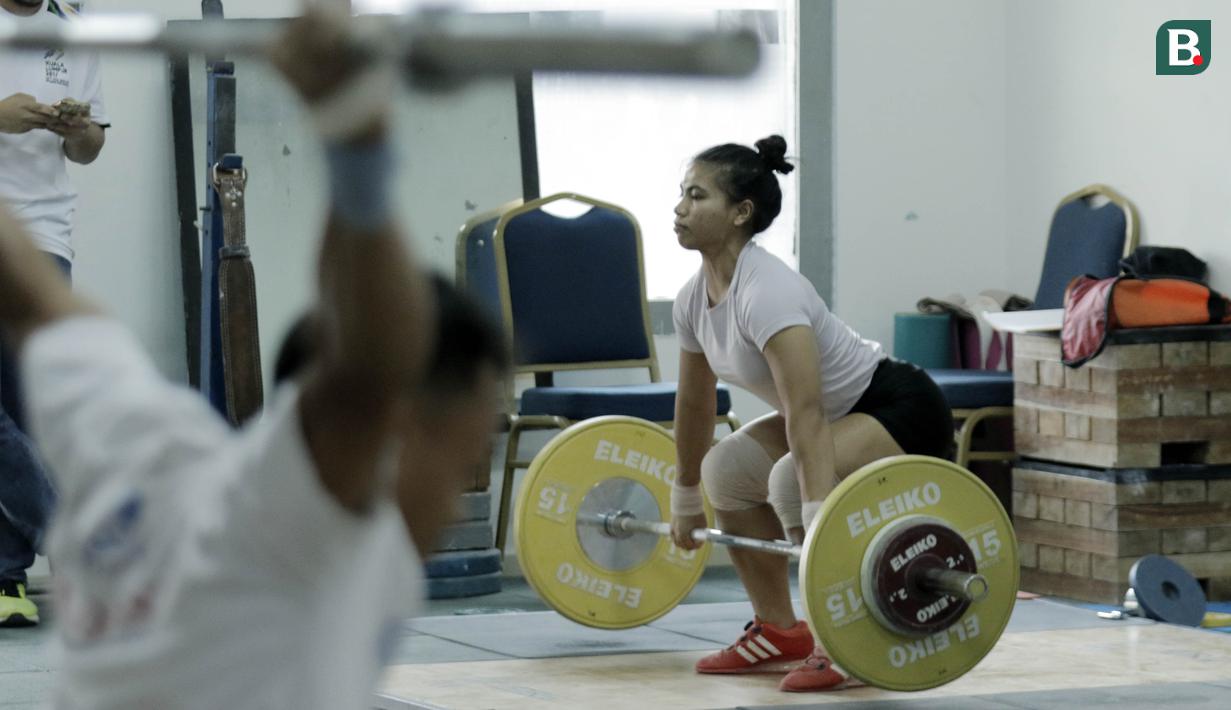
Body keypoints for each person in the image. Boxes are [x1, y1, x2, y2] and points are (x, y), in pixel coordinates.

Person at [0, 10, 503, 709]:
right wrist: (353, 125)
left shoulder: (136, 446)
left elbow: (26, 289)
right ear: (395, 431)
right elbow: (369, 365)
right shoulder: (324, 545)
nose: (455, 500)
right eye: (461, 454)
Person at [667, 135, 953, 692]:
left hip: (899, 406)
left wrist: (819, 511)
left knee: (789, 483)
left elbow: (805, 410)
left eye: (697, 196)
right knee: (723, 471)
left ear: (740, 213)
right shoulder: (692, 299)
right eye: (681, 194)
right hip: (836, 415)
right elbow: (694, 403)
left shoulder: (768, 292)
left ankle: (840, 642)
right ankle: (780, 629)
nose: (680, 208)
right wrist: (684, 499)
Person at [0, 0, 109, 627]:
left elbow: (90, 150)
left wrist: (78, 130)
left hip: (43, 235)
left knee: (26, 408)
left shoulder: (76, 27)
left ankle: (7, 579)